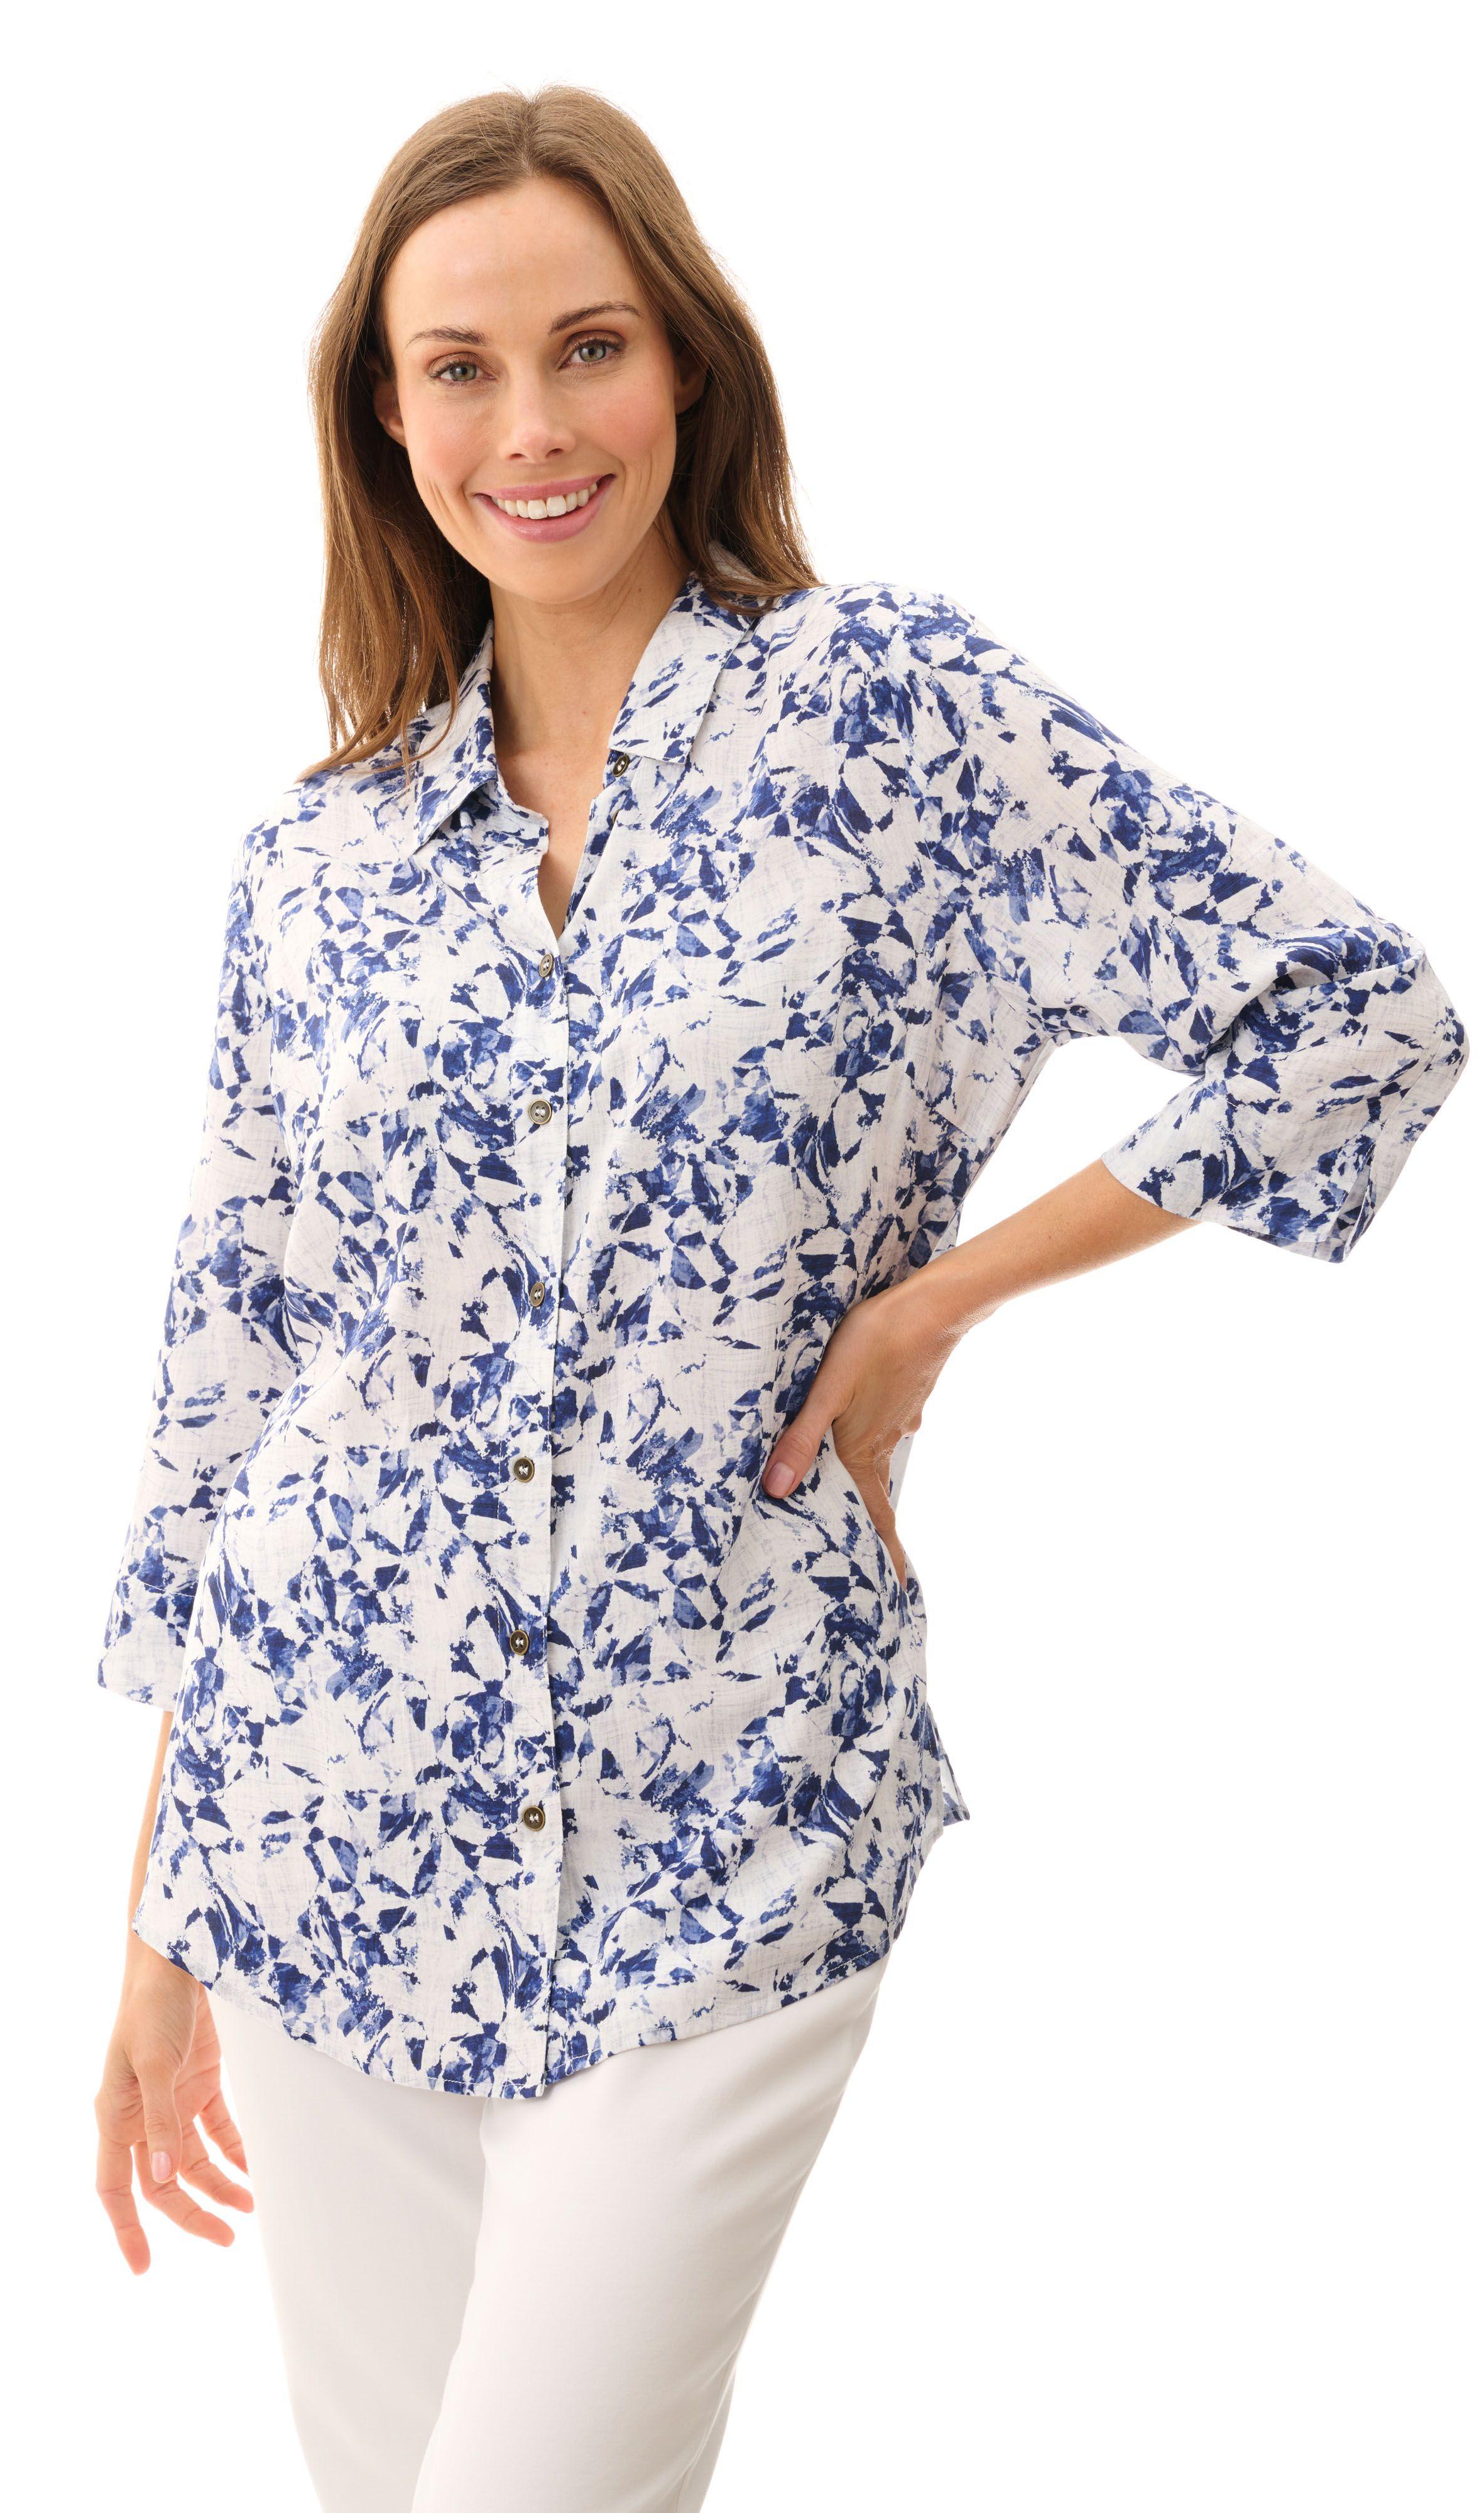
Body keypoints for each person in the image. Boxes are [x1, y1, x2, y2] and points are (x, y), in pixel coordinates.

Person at [90, 82, 1469, 2513]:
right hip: (318, 1826)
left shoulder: (887, 719)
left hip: (731, 1807)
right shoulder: (314, 864)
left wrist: (932, 1309)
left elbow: (1350, 1014)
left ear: (688, 367)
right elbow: (237, 1390)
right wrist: (155, 1922)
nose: (532, 427)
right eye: (458, 369)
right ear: (384, 417)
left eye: (588, 346)